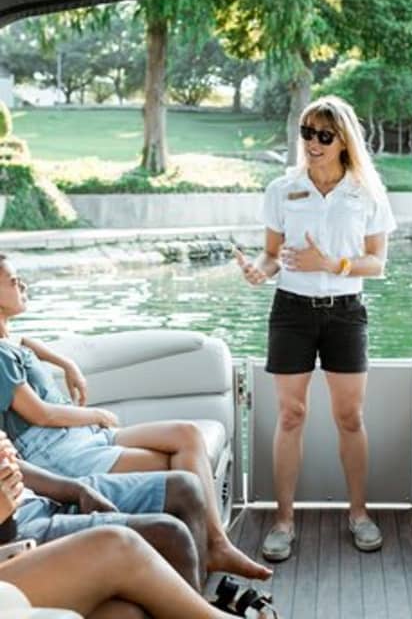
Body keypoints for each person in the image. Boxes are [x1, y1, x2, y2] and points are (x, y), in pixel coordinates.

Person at [0, 254, 271, 582]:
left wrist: (67, 365)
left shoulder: (9, 341)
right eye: (13, 281)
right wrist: (95, 414)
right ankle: (206, 550)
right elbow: (41, 414)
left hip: (78, 437)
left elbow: (26, 344)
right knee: (172, 466)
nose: (23, 285)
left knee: (187, 435)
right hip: (57, 452)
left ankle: (214, 546)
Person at [236, 95, 396, 561]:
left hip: (346, 313)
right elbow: (271, 254)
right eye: (307, 132)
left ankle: (359, 514)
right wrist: (259, 271)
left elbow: (377, 263)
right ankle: (283, 522)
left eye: (324, 135)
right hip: (291, 312)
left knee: (350, 418)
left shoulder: (366, 192)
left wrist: (332, 263)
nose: (313, 142)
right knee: (291, 415)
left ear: (344, 140)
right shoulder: (282, 189)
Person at [0, 458, 271, 618]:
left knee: (128, 612)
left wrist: (76, 489)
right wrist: (4, 514)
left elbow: (10, 461)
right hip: (13, 535)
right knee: (132, 544)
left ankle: (196, 604)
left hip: (32, 502)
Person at [0, 429, 211, 591]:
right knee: (170, 534)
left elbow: (12, 464)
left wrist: (77, 490)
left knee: (185, 488)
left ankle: (199, 599)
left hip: (35, 498)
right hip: (17, 529)